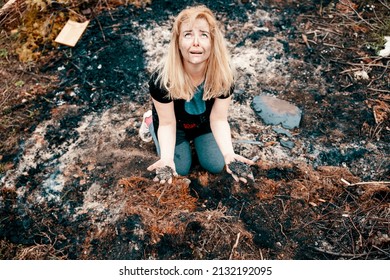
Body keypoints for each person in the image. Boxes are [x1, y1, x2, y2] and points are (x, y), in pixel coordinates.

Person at [143, 5, 254, 184]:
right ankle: (148, 121)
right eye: (188, 34)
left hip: (203, 124)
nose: (196, 42)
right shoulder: (162, 79)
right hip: (175, 125)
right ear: (178, 42)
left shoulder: (224, 75)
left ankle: (199, 142)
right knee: (179, 169)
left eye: (204, 35)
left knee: (217, 164)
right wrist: (167, 158)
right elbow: (167, 123)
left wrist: (229, 153)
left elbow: (218, 119)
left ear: (213, 42)